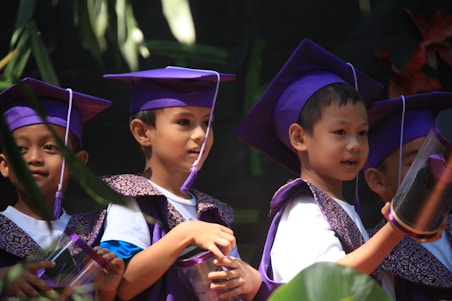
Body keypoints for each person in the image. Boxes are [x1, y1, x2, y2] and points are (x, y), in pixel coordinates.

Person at [235, 38, 407, 300]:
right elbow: (327, 282)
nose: (355, 145)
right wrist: (395, 229)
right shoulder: (304, 210)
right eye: (340, 132)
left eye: (362, 133)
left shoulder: (340, 209)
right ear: (299, 138)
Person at [99, 66, 262, 301]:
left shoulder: (211, 212)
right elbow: (122, 286)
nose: (200, 134)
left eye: (207, 123)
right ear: (142, 132)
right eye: (184, 121)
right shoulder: (133, 199)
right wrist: (185, 234)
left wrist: (246, 279)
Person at [0, 77, 124, 300]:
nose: (34, 158)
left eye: (50, 147)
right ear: (5, 165)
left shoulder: (95, 232)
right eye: (20, 149)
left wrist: (107, 289)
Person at [362, 92, 452, 300]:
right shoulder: (375, 256)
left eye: (438, 158)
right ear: (377, 180)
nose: (432, 169)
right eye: (414, 163)